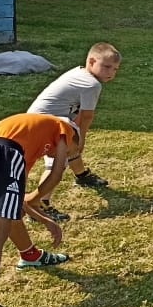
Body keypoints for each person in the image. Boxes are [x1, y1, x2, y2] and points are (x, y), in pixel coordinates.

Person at [0, 113, 79, 307]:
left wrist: (45, 219)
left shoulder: (28, 144)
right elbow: (56, 174)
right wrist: (36, 198)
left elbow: (16, 202)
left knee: (9, 213)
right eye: (70, 153)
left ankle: (30, 255)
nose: (63, 156)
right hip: (3, 151)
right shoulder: (65, 128)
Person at [27, 42, 121, 221]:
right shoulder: (92, 84)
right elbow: (86, 117)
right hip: (42, 125)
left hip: (42, 120)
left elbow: (76, 117)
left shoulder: (79, 72)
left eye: (115, 69)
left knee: (70, 144)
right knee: (57, 162)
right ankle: (39, 205)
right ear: (91, 61)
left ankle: (81, 175)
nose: (111, 73)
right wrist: (81, 140)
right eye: (107, 67)